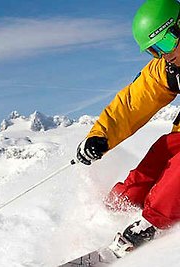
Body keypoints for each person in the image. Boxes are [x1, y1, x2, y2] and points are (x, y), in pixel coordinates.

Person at [76, 0, 180, 249]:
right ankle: (113, 213)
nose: (164, 54)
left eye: (164, 43)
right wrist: (101, 136)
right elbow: (132, 103)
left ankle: (151, 226)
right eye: (154, 50)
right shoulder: (169, 68)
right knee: (163, 148)